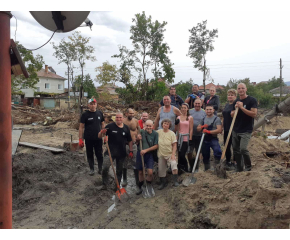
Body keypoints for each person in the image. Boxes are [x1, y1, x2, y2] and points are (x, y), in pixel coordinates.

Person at [98, 112, 133, 190]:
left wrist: (131, 151)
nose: (119, 119)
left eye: (120, 117)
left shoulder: (126, 128)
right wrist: (101, 132)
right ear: (115, 118)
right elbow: (100, 136)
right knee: (105, 168)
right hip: (110, 152)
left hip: (121, 153)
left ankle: (116, 186)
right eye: (117, 117)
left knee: (119, 171)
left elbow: (130, 140)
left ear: (123, 118)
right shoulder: (110, 126)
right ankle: (104, 184)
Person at [231, 83, 257, 172]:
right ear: (237, 90)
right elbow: (232, 114)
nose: (241, 90)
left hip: (246, 129)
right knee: (235, 149)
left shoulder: (252, 100)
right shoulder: (236, 101)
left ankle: (248, 166)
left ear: (246, 89)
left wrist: (242, 108)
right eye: (239, 88)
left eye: (242, 88)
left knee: (243, 149)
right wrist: (234, 110)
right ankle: (239, 167)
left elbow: (254, 114)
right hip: (236, 129)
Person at [79, 98, 105, 175]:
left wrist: (104, 135)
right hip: (88, 138)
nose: (93, 105)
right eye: (91, 104)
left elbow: (103, 124)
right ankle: (91, 169)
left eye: (94, 104)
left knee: (99, 154)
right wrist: (80, 139)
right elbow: (81, 127)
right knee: (89, 154)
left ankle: (100, 169)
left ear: (96, 105)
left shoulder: (100, 113)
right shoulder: (85, 114)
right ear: (88, 105)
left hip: (98, 138)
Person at [135, 120, 158, 195]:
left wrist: (146, 150)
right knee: (141, 172)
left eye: (150, 126)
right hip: (140, 154)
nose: (148, 127)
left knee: (150, 172)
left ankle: (148, 184)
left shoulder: (155, 134)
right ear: (145, 125)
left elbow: (156, 146)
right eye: (147, 125)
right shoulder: (141, 131)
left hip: (149, 154)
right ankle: (140, 187)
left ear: (152, 126)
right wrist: (138, 138)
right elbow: (136, 142)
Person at [197, 104, 222, 171]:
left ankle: (217, 167)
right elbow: (198, 129)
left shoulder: (217, 119)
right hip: (204, 139)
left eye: (210, 109)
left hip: (213, 138)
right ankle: (207, 169)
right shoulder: (203, 119)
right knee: (205, 155)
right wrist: (202, 127)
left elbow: (219, 130)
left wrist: (208, 131)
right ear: (205, 110)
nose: (208, 111)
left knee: (217, 151)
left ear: (213, 110)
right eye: (207, 109)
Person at [156, 119, 179, 189]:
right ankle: (163, 183)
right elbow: (150, 133)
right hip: (161, 154)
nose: (165, 125)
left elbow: (174, 145)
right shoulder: (158, 132)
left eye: (167, 124)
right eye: (164, 123)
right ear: (162, 124)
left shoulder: (172, 133)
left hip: (170, 154)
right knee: (161, 170)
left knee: (174, 165)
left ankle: (175, 181)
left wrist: (173, 154)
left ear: (169, 126)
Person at [122, 108, 139, 187]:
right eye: (130, 113)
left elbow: (139, 130)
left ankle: (137, 181)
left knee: (135, 162)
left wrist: (138, 137)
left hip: (134, 144)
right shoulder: (123, 121)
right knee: (124, 162)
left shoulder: (135, 121)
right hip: (124, 145)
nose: (131, 115)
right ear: (126, 114)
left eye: (132, 113)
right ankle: (124, 179)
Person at [188, 98, 206, 172]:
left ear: (201, 104)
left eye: (199, 103)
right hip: (190, 135)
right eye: (196, 103)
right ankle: (191, 166)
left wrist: (202, 127)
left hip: (200, 135)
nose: (197, 105)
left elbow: (207, 122)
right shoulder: (190, 111)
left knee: (198, 152)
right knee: (189, 152)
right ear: (193, 104)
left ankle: (197, 167)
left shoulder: (204, 112)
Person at [222, 89, 237, 170]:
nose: (230, 96)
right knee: (226, 145)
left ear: (235, 96)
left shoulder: (236, 105)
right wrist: (222, 125)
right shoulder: (227, 105)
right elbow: (224, 116)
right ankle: (228, 161)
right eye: (229, 95)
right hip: (227, 128)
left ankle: (235, 161)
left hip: (234, 128)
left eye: (232, 95)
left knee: (234, 145)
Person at [176, 103, 193, 173]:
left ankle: (186, 167)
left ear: (187, 109)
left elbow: (191, 129)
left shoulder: (190, 118)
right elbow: (177, 129)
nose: (183, 109)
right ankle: (180, 168)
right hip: (179, 137)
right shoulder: (178, 117)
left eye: (184, 108)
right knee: (179, 154)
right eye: (182, 108)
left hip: (186, 138)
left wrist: (190, 138)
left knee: (183, 154)